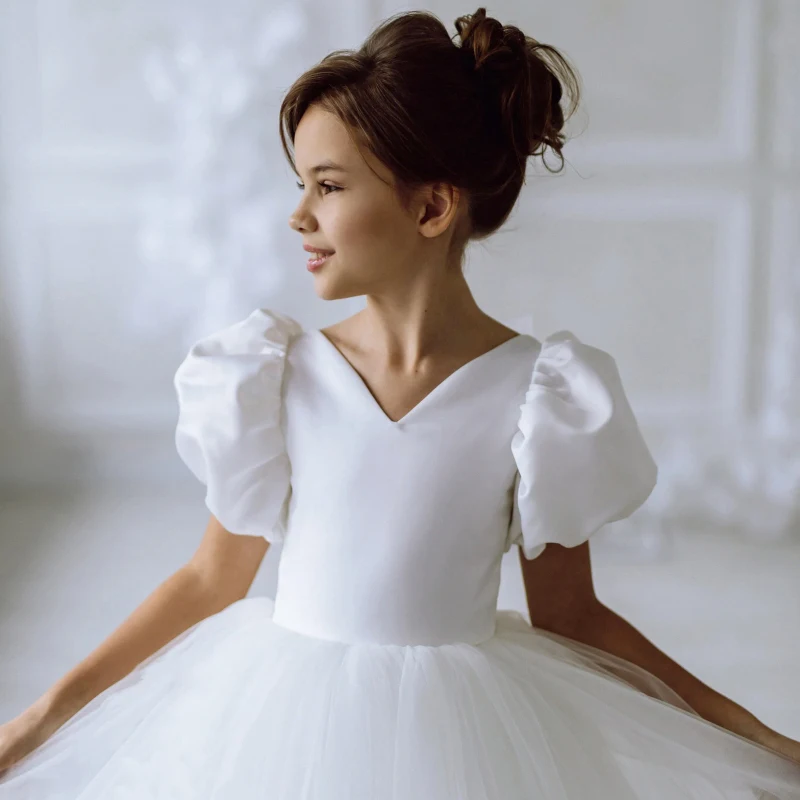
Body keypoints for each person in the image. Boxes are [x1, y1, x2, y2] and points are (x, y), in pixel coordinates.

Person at [1, 7, 799, 797]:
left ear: (430, 208)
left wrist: (759, 742)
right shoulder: (275, 376)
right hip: (279, 738)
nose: (298, 214)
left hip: (465, 747)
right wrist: (39, 721)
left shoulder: (538, 398)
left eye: (329, 185)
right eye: (301, 184)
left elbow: (575, 619)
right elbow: (211, 580)